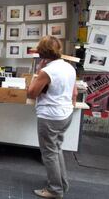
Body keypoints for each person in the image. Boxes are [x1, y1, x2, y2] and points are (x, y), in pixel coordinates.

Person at [27, 36, 77, 199]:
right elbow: (74, 93)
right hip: (65, 114)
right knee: (56, 149)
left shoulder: (47, 71)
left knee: (49, 153)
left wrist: (37, 74)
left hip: (50, 116)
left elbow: (32, 93)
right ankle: (62, 184)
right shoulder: (68, 67)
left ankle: (55, 190)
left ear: (41, 51)